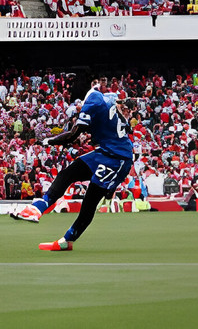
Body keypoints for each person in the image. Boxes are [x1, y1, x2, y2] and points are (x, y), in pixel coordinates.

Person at [10, 76, 135, 251]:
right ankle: (39, 207)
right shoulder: (110, 99)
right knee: (68, 173)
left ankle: (67, 240)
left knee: (90, 201)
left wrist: (48, 141)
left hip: (118, 159)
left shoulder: (93, 102)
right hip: (106, 151)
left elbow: (73, 135)